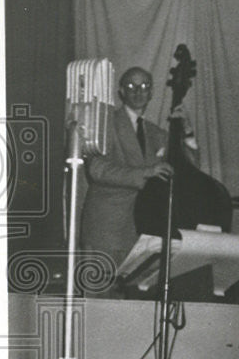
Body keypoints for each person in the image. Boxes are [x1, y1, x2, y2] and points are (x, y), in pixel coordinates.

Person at [80, 66, 197, 270]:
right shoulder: (105, 123)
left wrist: (187, 130)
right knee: (98, 299)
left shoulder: (155, 133)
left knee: (130, 301)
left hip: (141, 230)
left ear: (151, 92)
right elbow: (96, 169)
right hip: (106, 228)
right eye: (131, 86)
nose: (138, 91)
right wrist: (146, 172)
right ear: (121, 92)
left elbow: (191, 167)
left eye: (144, 86)